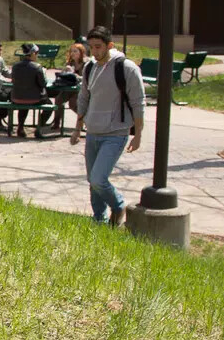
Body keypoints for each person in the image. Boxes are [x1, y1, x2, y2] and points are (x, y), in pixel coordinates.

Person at [70, 26, 145, 226]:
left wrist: (137, 134)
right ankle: (99, 219)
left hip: (115, 133)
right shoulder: (90, 68)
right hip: (93, 132)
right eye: (91, 47)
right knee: (92, 182)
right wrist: (77, 128)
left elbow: (139, 102)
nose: (94, 52)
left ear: (109, 45)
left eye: (98, 47)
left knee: (98, 179)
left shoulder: (126, 68)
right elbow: (83, 98)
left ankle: (118, 205)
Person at [10, 43, 53, 138]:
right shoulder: (37, 67)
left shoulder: (15, 66)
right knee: (49, 105)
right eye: (37, 53)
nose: (37, 55)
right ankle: (39, 127)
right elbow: (43, 84)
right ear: (33, 53)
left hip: (16, 98)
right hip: (35, 99)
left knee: (24, 103)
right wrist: (44, 72)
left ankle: (20, 127)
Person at [50, 42, 88, 128]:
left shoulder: (86, 64)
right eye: (72, 51)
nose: (73, 53)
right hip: (69, 88)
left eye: (75, 51)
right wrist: (65, 72)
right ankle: (56, 122)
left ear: (81, 52)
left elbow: (86, 79)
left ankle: (85, 119)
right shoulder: (70, 63)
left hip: (80, 89)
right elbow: (65, 77)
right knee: (58, 100)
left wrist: (74, 74)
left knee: (73, 104)